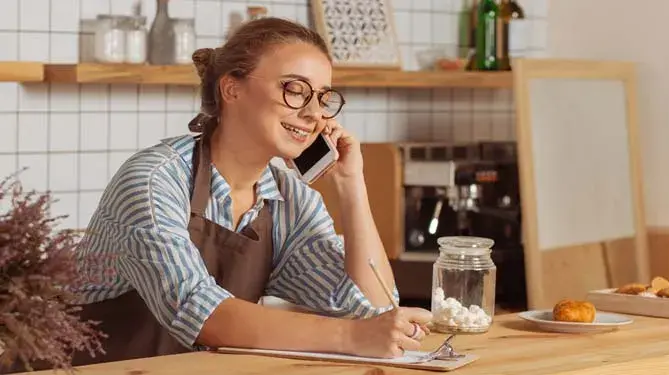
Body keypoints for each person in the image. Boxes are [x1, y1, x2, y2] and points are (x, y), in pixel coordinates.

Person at [67, 17, 433, 366]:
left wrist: (352, 185)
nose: (313, 114)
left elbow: (370, 308)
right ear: (232, 88)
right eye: (294, 89)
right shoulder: (153, 181)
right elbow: (197, 310)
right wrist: (353, 338)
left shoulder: (291, 200)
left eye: (321, 97)